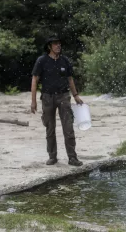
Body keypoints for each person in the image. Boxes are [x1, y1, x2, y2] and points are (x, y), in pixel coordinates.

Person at [30, 35, 83, 166]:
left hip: (64, 96)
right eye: (55, 44)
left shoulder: (65, 60)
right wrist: (33, 101)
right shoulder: (42, 60)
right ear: (49, 46)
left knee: (68, 128)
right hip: (47, 97)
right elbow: (35, 79)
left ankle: (72, 157)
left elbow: (70, 79)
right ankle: (52, 156)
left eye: (59, 43)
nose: (58, 46)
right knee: (50, 128)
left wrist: (75, 95)